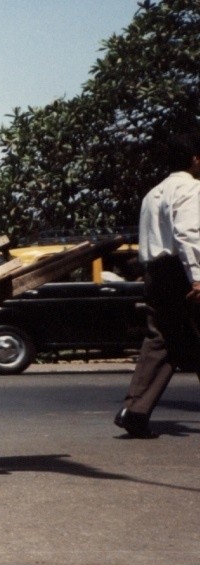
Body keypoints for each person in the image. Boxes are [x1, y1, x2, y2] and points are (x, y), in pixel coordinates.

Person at [116, 130, 200, 438]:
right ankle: (135, 410)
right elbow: (189, 234)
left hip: (156, 272)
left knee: (161, 340)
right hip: (182, 272)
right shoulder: (192, 189)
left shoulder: (152, 194)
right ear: (194, 159)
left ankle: (135, 410)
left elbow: (148, 240)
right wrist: (197, 278)